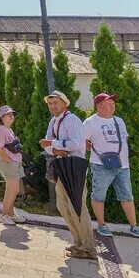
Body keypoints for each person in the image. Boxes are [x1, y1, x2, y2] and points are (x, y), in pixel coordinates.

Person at [41, 90, 96, 260]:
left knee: (77, 206)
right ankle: (78, 242)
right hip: (61, 166)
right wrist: (53, 148)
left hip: (74, 166)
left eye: (55, 103)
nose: (52, 106)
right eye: (50, 104)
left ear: (65, 103)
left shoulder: (71, 119)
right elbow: (45, 144)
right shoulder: (53, 121)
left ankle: (88, 247)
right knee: (63, 206)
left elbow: (78, 143)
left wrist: (54, 144)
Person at [85, 92, 139, 238]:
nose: (113, 105)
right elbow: (83, 142)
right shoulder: (90, 122)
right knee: (99, 196)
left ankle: (134, 226)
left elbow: (124, 139)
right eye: (109, 103)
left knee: (127, 196)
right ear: (99, 105)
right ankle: (101, 225)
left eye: (113, 103)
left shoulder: (119, 120)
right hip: (101, 165)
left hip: (122, 165)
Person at [0, 105, 27, 225]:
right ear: (1, 117)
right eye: (8, 114)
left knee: (13, 190)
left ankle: (11, 214)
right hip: (9, 163)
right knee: (12, 190)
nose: (12, 116)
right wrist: (8, 160)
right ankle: (4, 215)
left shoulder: (9, 129)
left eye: (12, 114)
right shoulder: (0, 130)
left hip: (14, 162)